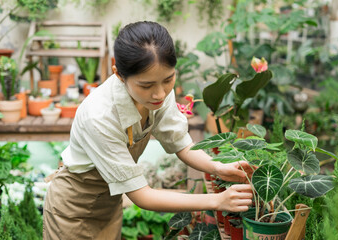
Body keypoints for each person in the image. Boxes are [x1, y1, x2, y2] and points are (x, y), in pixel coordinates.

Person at [43, 21, 254, 240]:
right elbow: (142, 196)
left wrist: (217, 167)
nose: (160, 94)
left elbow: (180, 142)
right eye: (146, 85)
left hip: (109, 204)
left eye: (169, 79)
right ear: (119, 74)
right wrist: (217, 201)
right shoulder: (99, 116)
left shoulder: (158, 92)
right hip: (72, 210)